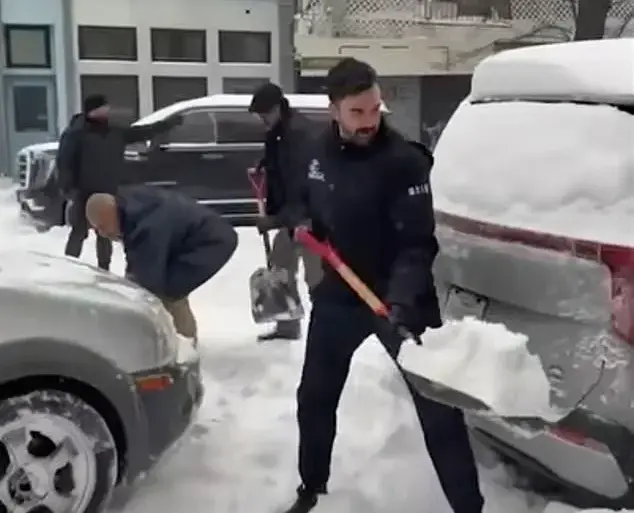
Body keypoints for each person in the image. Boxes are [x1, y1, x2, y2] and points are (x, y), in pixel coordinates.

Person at [282, 58, 485, 513]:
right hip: (339, 294)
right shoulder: (314, 153)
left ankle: (469, 508)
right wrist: (300, 220)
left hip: (400, 299)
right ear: (334, 110)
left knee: (438, 410)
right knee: (314, 396)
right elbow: (298, 200)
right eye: (357, 112)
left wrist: (401, 301)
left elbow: (417, 244)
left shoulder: (404, 162)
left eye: (375, 109)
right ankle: (311, 486)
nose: (369, 120)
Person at [85, 186, 238, 343]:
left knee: (169, 292)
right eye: (97, 230)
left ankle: (184, 347)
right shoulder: (131, 211)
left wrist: (130, 293)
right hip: (187, 239)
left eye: (102, 227)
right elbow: (137, 258)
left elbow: (147, 279)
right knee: (162, 288)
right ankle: (173, 340)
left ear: (110, 212)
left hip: (211, 242)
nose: (102, 234)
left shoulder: (147, 226)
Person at [56, 94, 181, 271]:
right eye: (102, 108)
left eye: (106, 108)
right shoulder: (76, 133)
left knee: (105, 233)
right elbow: (64, 162)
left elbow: (141, 132)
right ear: (92, 111)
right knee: (79, 232)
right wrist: (68, 188)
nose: (107, 111)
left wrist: (167, 124)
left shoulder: (114, 131)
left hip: (107, 190)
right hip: (83, 192)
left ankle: (104, 269)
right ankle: (68, 268)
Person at [248, 82, 323, 341]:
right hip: (292, 218)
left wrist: (275, 220)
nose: (263, 119)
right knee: (280, 266)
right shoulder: (278, 131)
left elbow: (301, 185)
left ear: (279, 107)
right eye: (260, 115)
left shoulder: (299, 134)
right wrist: (265, 164)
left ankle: (327, 330)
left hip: (312, 218)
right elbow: (281, 164)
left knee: (317, 278)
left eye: (266, 114)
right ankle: (287, 325)